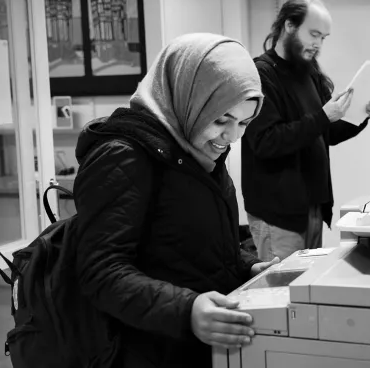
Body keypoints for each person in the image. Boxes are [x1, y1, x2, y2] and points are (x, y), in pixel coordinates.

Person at [73, 33, 280, 368]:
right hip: (145, 351)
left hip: (193, 349)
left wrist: (247, 268)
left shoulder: (196, 150)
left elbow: (188, 243)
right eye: (221, 119)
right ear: (190, 100)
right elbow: (101, 272)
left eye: (244, 122)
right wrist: (187, 310)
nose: (232, 136)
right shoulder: (123, 157)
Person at [241, 0, 370, 261]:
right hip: (278, 215)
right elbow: (266, 141)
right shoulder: (261, 74)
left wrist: (361, 115)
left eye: (323, 38)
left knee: (305, 291)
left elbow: (324, 132)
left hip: (312, 209)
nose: (318, 44)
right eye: (314, 34)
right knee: (281, 294)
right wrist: (322, 117)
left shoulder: (308, 71)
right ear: (289, 26)